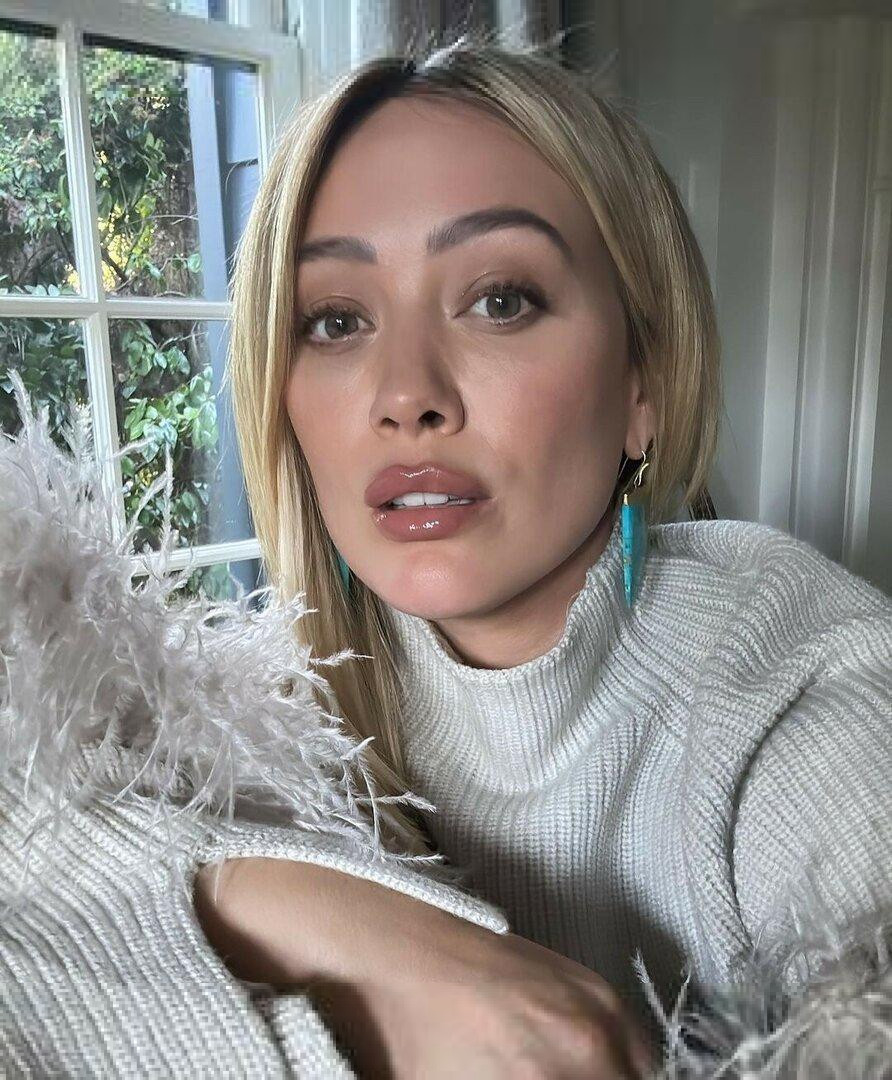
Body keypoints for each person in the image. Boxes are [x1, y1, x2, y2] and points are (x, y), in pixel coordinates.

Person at [0, 31, 890, 1080]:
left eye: (499, 299)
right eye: (336, 320)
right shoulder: (271, 703)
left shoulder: (797, 680)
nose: (406, 394)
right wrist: (321, 918)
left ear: (641, 385)